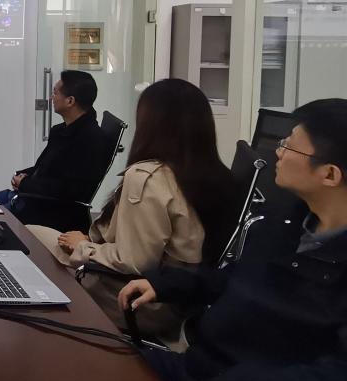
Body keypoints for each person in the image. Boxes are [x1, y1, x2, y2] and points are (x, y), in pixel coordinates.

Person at [119, 99, 347, 381]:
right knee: (99, 371)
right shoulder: (285, 219)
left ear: (330, 175)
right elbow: (233, 278)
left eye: (289, 146)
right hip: (202, 371)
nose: (277, 151)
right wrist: (167, 284)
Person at [27, 78, 237, 340]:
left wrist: (84, 246)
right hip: (178, 297)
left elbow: (134, 262)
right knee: (34, 233)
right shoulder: (212, 173)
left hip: (139, 300)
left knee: (28, 238)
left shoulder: (148, 178)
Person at [0, 70, 111, 229]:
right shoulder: (60, 131)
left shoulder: (91, 139)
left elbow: (71, 190)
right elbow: (43, 168)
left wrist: (26, 184)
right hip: (31, 199)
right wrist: (23, 175)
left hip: (52, 212)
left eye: (55, 93)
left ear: (70, 101)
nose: (51, 98)